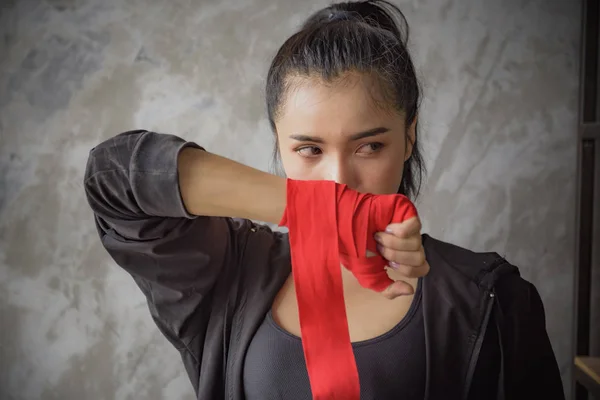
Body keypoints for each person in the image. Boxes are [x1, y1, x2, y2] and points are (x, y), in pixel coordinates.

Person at [83, 1, 564, 399]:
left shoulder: (491, 301)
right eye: (309, 149)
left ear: (409, 136)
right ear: (279, 142)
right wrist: (313, 210)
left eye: (369, 146)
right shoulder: (229, 271)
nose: (339, 181)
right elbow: (114, 177)